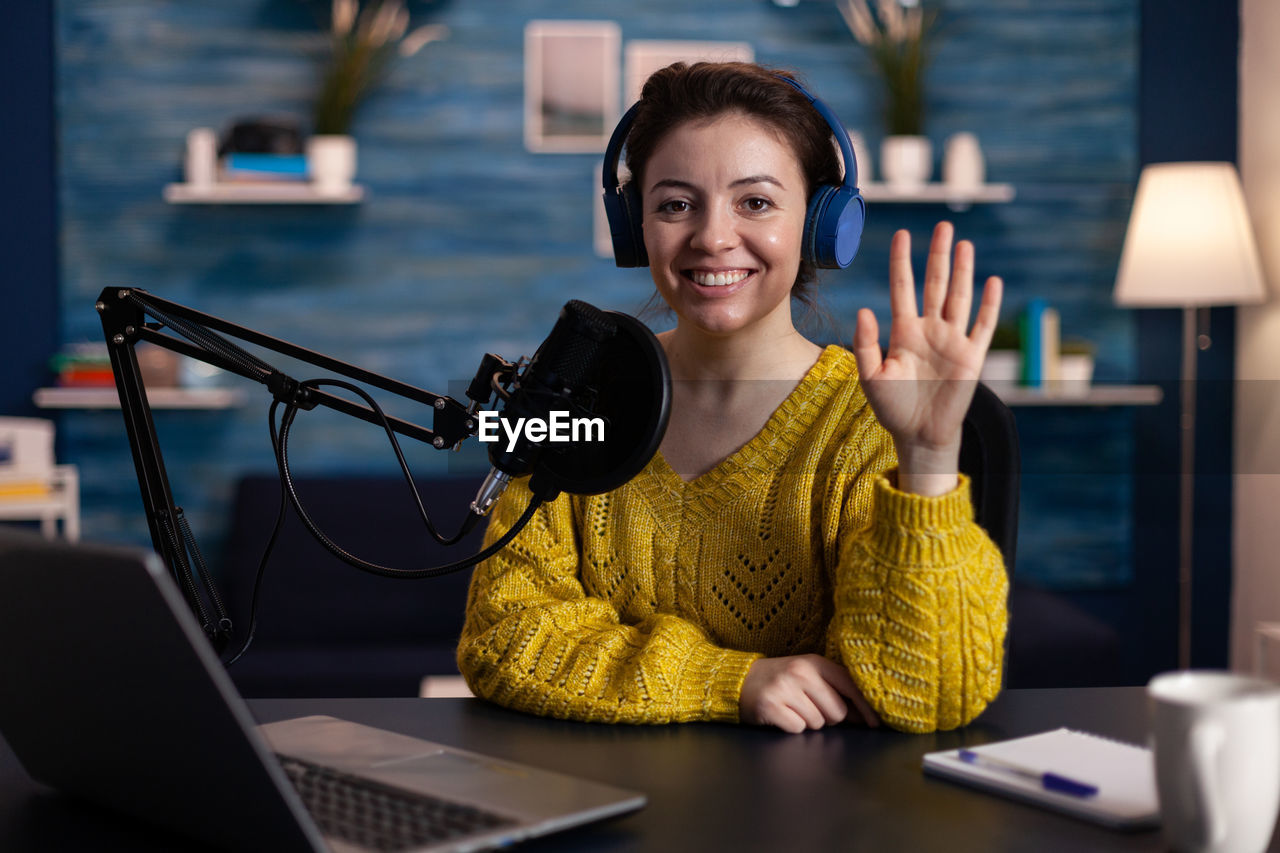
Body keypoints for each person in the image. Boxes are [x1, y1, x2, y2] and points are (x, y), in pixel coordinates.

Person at [457, 61, 1007, 734]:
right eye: (676, 203)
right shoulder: (576, 392)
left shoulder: (867, 423)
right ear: (636, 227)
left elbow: (930, 695)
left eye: (755, 202)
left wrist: (925, 459)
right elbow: (502, 638)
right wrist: (733, 679)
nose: (713, 236)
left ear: (819, 224)